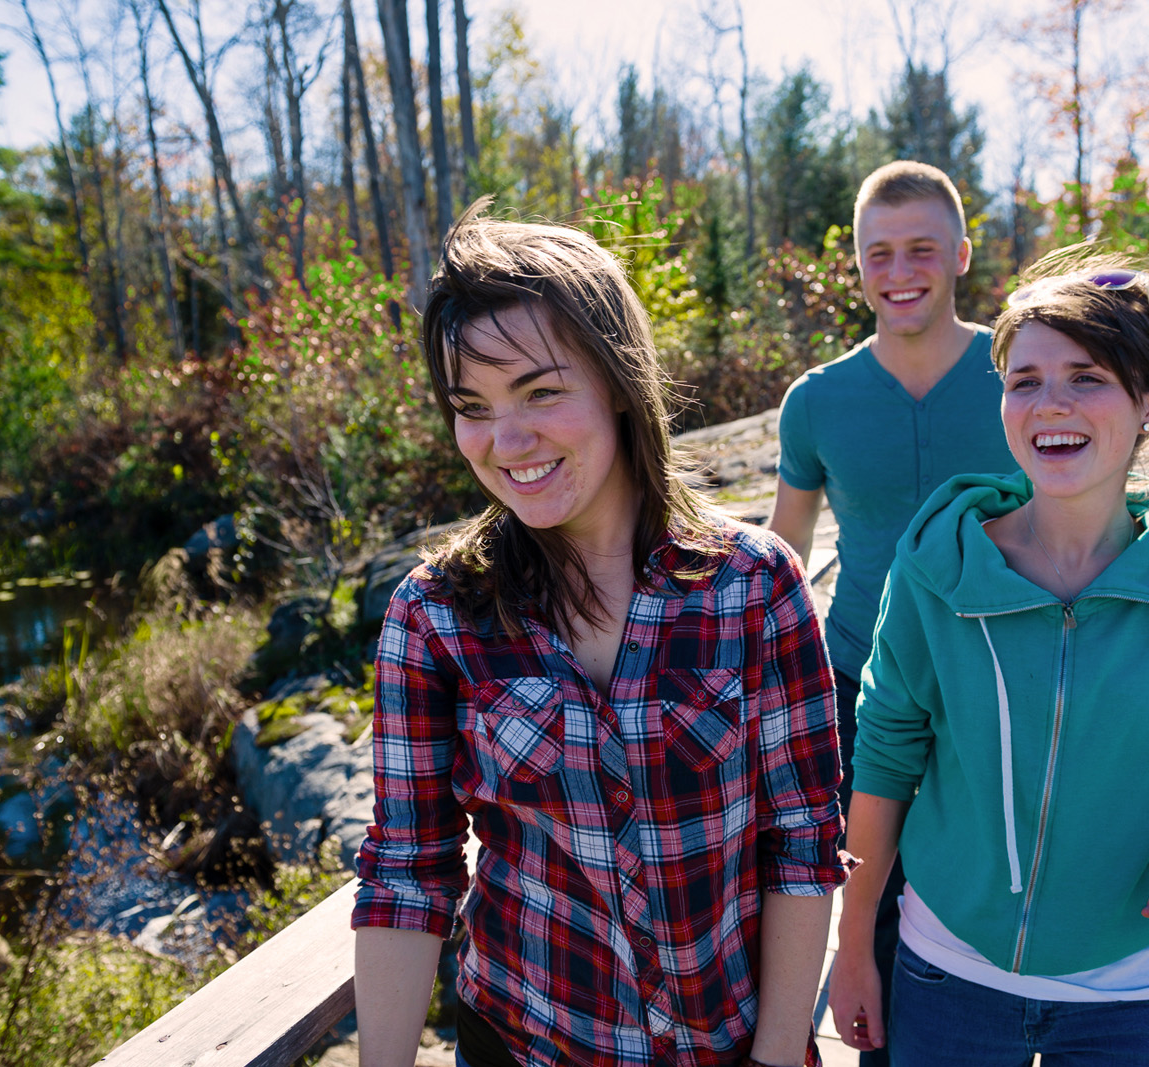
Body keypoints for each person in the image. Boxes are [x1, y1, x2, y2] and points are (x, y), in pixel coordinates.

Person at [353, 208, 850, 1067]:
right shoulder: (434, 616)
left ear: (618, 381)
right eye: (472, 405)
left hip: (727, 1046)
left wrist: (774, 1057)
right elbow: (408, 872)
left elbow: (800, 843)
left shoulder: (752, 587)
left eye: (541, 391)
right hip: (522, 1041)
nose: (505, 442)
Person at [828, 254, 1149, 1066]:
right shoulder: (934, 573)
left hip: (1134, 987)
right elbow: (885, 762)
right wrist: (854, 943)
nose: (1050, 404)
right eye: (1024, 379)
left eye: (1086, 376)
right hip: (946, 971)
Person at [768, 160, 1014, 1059]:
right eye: (879, 252)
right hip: (854, 684)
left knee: (972, 898)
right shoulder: (817, 400)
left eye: (919, 248)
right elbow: (784, 552)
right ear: (859, 267)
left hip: (999, 684)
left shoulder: (1020, 374)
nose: (899, 268)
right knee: (865, 895)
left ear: (958, 253)